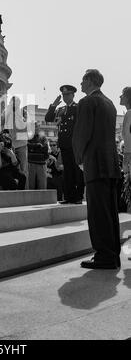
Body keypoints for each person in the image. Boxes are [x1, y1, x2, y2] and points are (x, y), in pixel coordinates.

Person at [72, 69, 121, 269]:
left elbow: (81, 133)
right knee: (110, 212)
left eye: (83, 80)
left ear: (91, 81)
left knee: (97, 213)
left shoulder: (87, 102)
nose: (81, 84)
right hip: (110, 165)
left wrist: (79, 159)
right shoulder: (110, 104)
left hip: (94, 164)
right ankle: (112, 254)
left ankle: (104, 256)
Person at [45, 84, 84, 204]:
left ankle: (78, 196)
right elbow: (48, 118)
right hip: (64, 144)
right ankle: (68, 196)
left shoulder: (78, 108)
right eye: (63, 95)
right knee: (67, 171)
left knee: (76, 171)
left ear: (73, 95)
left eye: (68, 94)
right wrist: (53, 105)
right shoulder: (61, 110)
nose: (65, 96)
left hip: (75, 144)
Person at [0, 97, 28, 186]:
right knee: (11, 168)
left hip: (22, 145)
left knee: (23, 169)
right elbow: (0, 123)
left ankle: (24, 190)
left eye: (17, 102)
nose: (15, 104)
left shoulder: (23, 112)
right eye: (13, 102)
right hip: (11, 145)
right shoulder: (6, 112)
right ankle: (13, 187)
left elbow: (27, 126)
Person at [119, 87, 131, 212]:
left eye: (122, 94)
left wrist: (126, 158)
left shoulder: (129, 113)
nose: (120, 96)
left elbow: (128, 137)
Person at [27, 122, 49, 189]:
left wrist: (33, 148)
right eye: (34, 127)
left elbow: (45, 148)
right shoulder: (28, 137)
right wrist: (37, 145)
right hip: (30, 163)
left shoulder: (43, 137)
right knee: (30, 186)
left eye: (37, 126)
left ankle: (43, 199)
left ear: (39, 128)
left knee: (42, 185)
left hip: (41, 164)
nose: (36, 128)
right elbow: (27, 146)